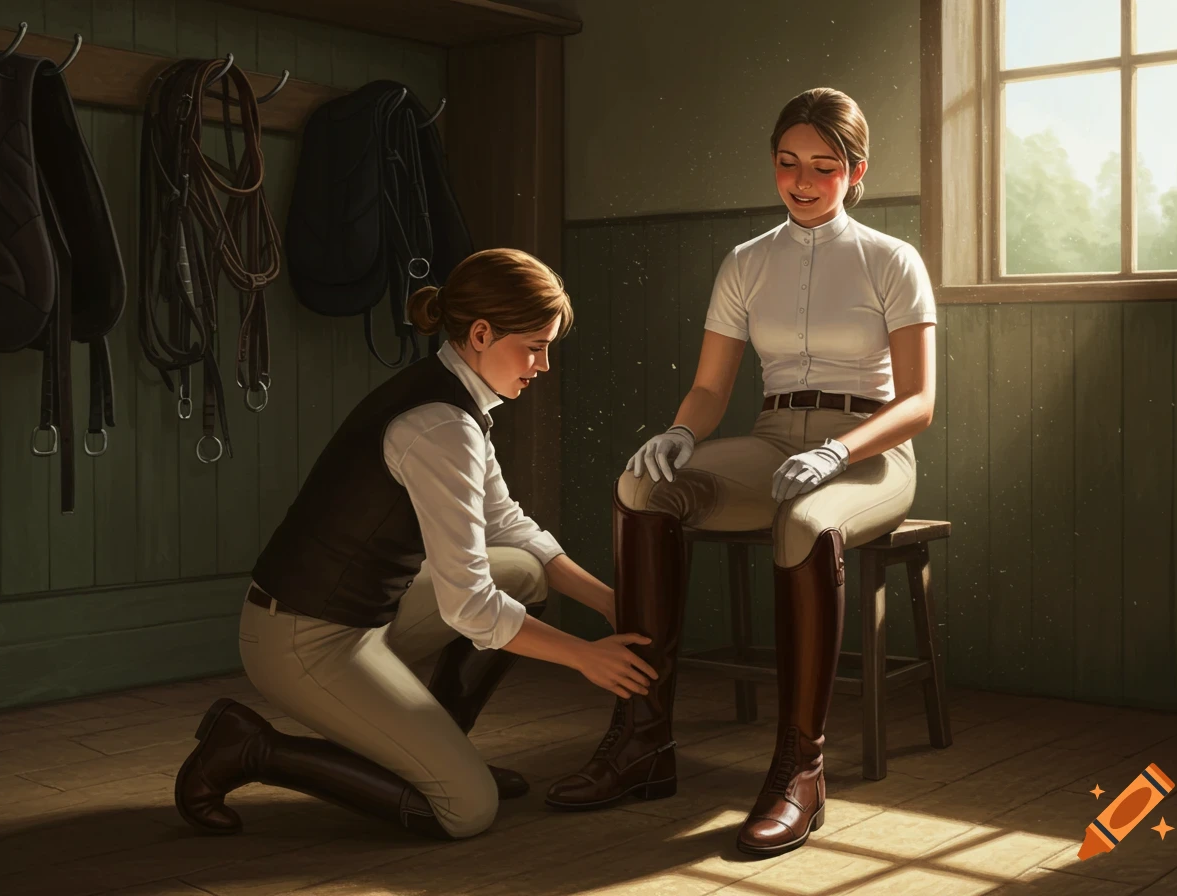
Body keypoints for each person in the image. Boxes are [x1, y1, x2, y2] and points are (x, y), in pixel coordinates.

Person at [544, 88, 938, 858]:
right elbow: (712, 387)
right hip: (770, 440)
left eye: (823, 167)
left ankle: (801, 771)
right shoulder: (745, 262)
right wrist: (680, 432)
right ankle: (642, 742)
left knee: (805, 519)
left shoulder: (894, 260)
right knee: (642, 490)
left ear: (856, 172)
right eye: (788, 162)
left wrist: (838, 451)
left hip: (872, 448)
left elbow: (920, 401)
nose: (801, 180)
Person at [174, 248, 658, 841]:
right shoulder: (441, 426)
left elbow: (505, 523)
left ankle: (436, 748)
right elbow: (470, 608)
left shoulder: (459, 401)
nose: (545, 363)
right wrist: (586, 655)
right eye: (534, 345)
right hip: (302, 641)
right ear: (480, 333)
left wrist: (605, 600)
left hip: (365, 617)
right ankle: (250, 748)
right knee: (466, 809)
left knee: (523, 572)